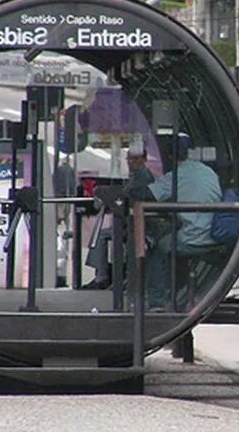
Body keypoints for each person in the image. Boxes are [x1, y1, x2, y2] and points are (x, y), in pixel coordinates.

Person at [144, 133, 222, 311]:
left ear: (170, 155)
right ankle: (181, 292)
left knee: (160, 249)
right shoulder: (207, 171)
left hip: (194, 237)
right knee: (174, 243)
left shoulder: (175, 176)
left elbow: (149, 195)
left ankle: (157, 302)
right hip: (215, 235)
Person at [83, 140, 155, 290]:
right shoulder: (135, 175)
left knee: (103, 235)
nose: (131, 162)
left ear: (144, 160)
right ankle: (104, 276)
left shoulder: (143, 176)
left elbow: (132, 195)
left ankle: (102, 277)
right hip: (131, 222)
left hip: (140, 224)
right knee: (105, 234)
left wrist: (109, 194)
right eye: (129, 159)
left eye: (136, 159)